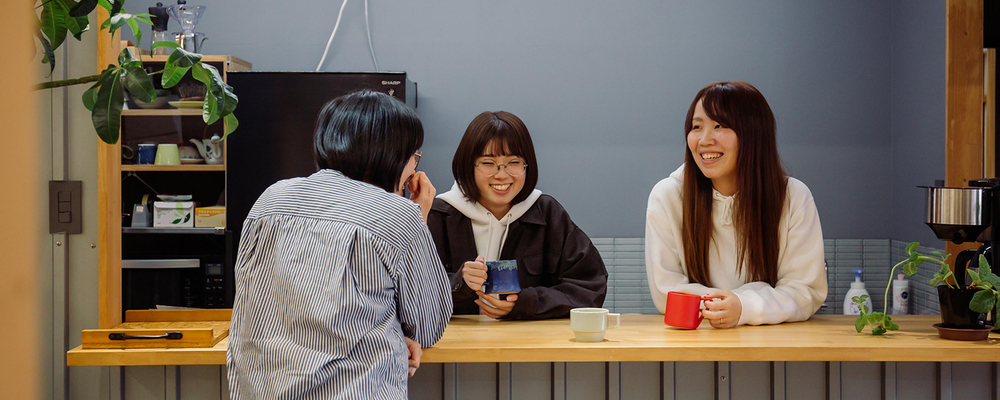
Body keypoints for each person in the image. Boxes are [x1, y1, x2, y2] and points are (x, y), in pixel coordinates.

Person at [227, 90, 452, 399]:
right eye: (414, 155)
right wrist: (419, 217)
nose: (414, 167)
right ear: (393, 154)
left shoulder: (271, 200)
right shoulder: (398, 215)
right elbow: (429, 326)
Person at [645, 81, 827, 329]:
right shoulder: (667, 196)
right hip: (695, 342)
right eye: (697, 127)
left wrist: (744, 306)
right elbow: (666, 290)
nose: (705, 140)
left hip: (772, 347)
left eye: (719, 126)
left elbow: (805, 290)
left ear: (753, 133)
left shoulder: (793, 196)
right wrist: (725, 307)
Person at [427, 111, 607, 320]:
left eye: (514, 162)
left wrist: (526, 303)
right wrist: (458, 283)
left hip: (528, 346)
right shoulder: (438, 214)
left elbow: (590, 287)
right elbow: (410, 291)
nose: (502, 174)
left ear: (527, 165)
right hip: (451, 344)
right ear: (469, 166)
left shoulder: (546, 214)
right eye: (488, 163)